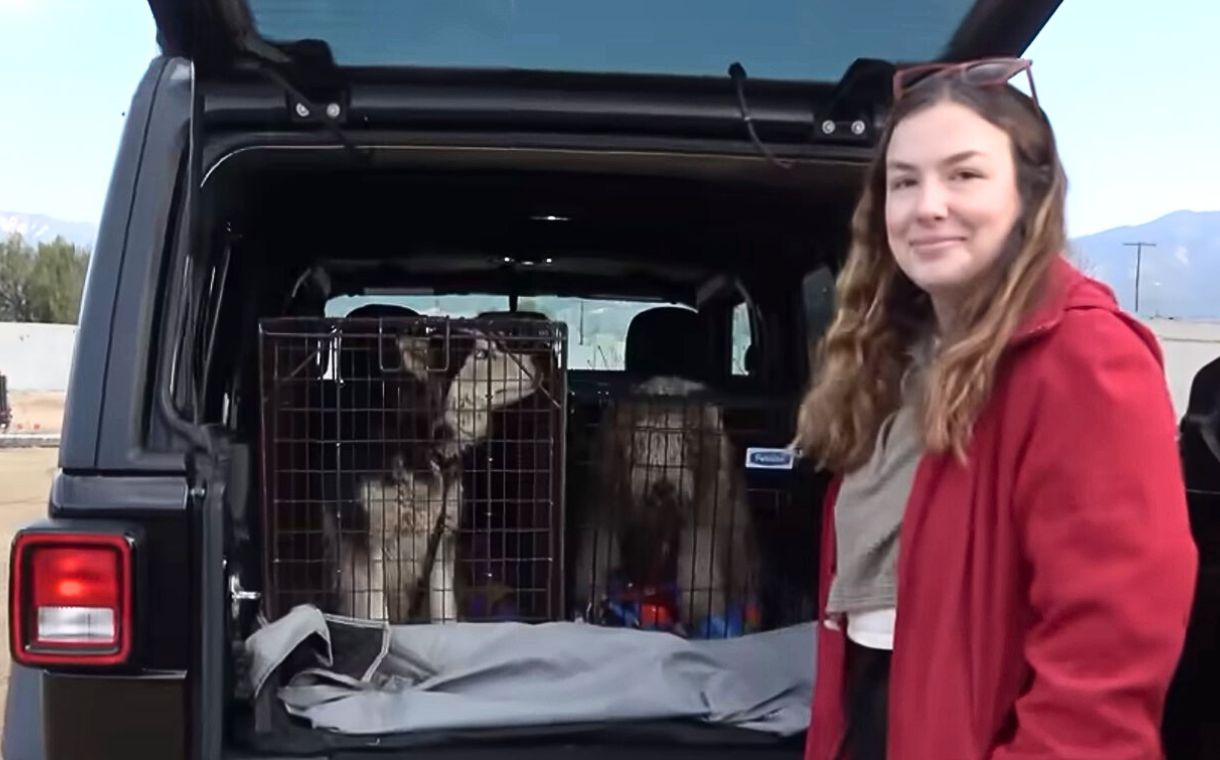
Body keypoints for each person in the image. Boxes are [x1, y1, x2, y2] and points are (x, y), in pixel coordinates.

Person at [794, 58, 1198, 760]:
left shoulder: (1085, 357)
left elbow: (1104, 664)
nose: (928, 206)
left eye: (964, 175)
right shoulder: (898, 361)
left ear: (1029, 195)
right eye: (904, 182)